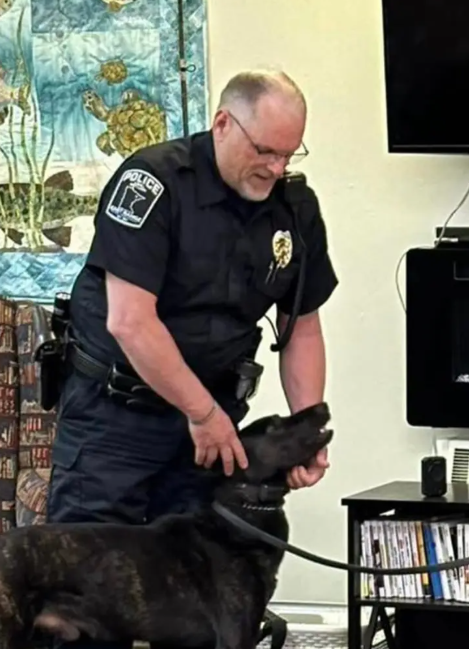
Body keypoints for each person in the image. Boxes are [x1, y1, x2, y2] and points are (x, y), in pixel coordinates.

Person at [47, 69, 337, 578]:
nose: (276, 168)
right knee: (87, 589)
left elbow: (302, 328)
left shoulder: (293, 208)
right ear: (223, 123)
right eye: (265, 151)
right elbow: (130, 321)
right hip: (116, 419)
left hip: (209, 430)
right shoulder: (152, 183)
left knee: (194, 591)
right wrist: (202, 413)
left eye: (289, 155)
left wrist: (307, 430)